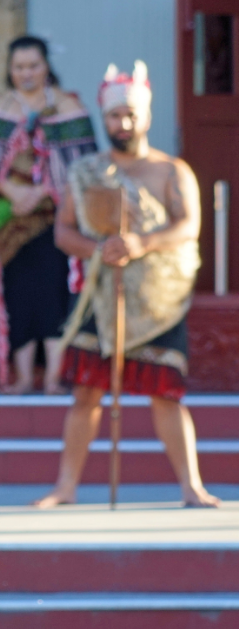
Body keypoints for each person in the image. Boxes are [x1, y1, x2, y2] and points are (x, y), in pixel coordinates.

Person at [35, 61, 220, 508]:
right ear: (105, 118)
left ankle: (191, 488)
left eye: (132, 114)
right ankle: (66, 487)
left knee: (166, 393)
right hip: (101, 293)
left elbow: (188, 226)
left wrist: (140, 242)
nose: (124, 123)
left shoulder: (172, 171)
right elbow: (64, 233)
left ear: (146, 116)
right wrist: (102, 249)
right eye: (116, 115)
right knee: (87, 393)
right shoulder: (87, 172)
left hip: (158, 298)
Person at [0, 35, 98, 394]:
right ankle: (24, 378)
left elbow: (83, 168)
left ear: (46, 67)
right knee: (19, 297)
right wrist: (12, 191)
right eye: (19, 67)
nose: (26, 73)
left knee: (55, 296)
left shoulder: (69, 107)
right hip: (9, 224)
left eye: (33, 66)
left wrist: (41, 190)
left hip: (57, 221)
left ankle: (55, 378)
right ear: (10, 70)